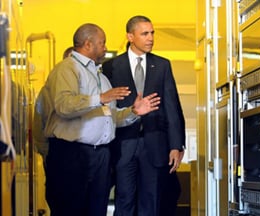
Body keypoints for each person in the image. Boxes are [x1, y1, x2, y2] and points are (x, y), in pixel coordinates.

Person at [42, 23, 160, 216]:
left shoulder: (100, 77)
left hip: (100, 156)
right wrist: (101, 98)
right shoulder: (67, 69)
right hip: (73, 154)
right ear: (88, 44)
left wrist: (133, 112)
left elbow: (109, 117)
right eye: (102, 43)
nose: (105, 48)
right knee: (70, 209)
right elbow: (64, 105)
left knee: (97, 209)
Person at [102, 15, 186, 216]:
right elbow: (106, 109)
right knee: (124, 199)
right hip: (123, 145)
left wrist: (176, 145)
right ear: (130, 36)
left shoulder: (163, 65)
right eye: (145, 33)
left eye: (152, 33)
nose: (150, 38)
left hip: (154, 144)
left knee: (151, 200)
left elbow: (172, 106)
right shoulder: (111, 67)